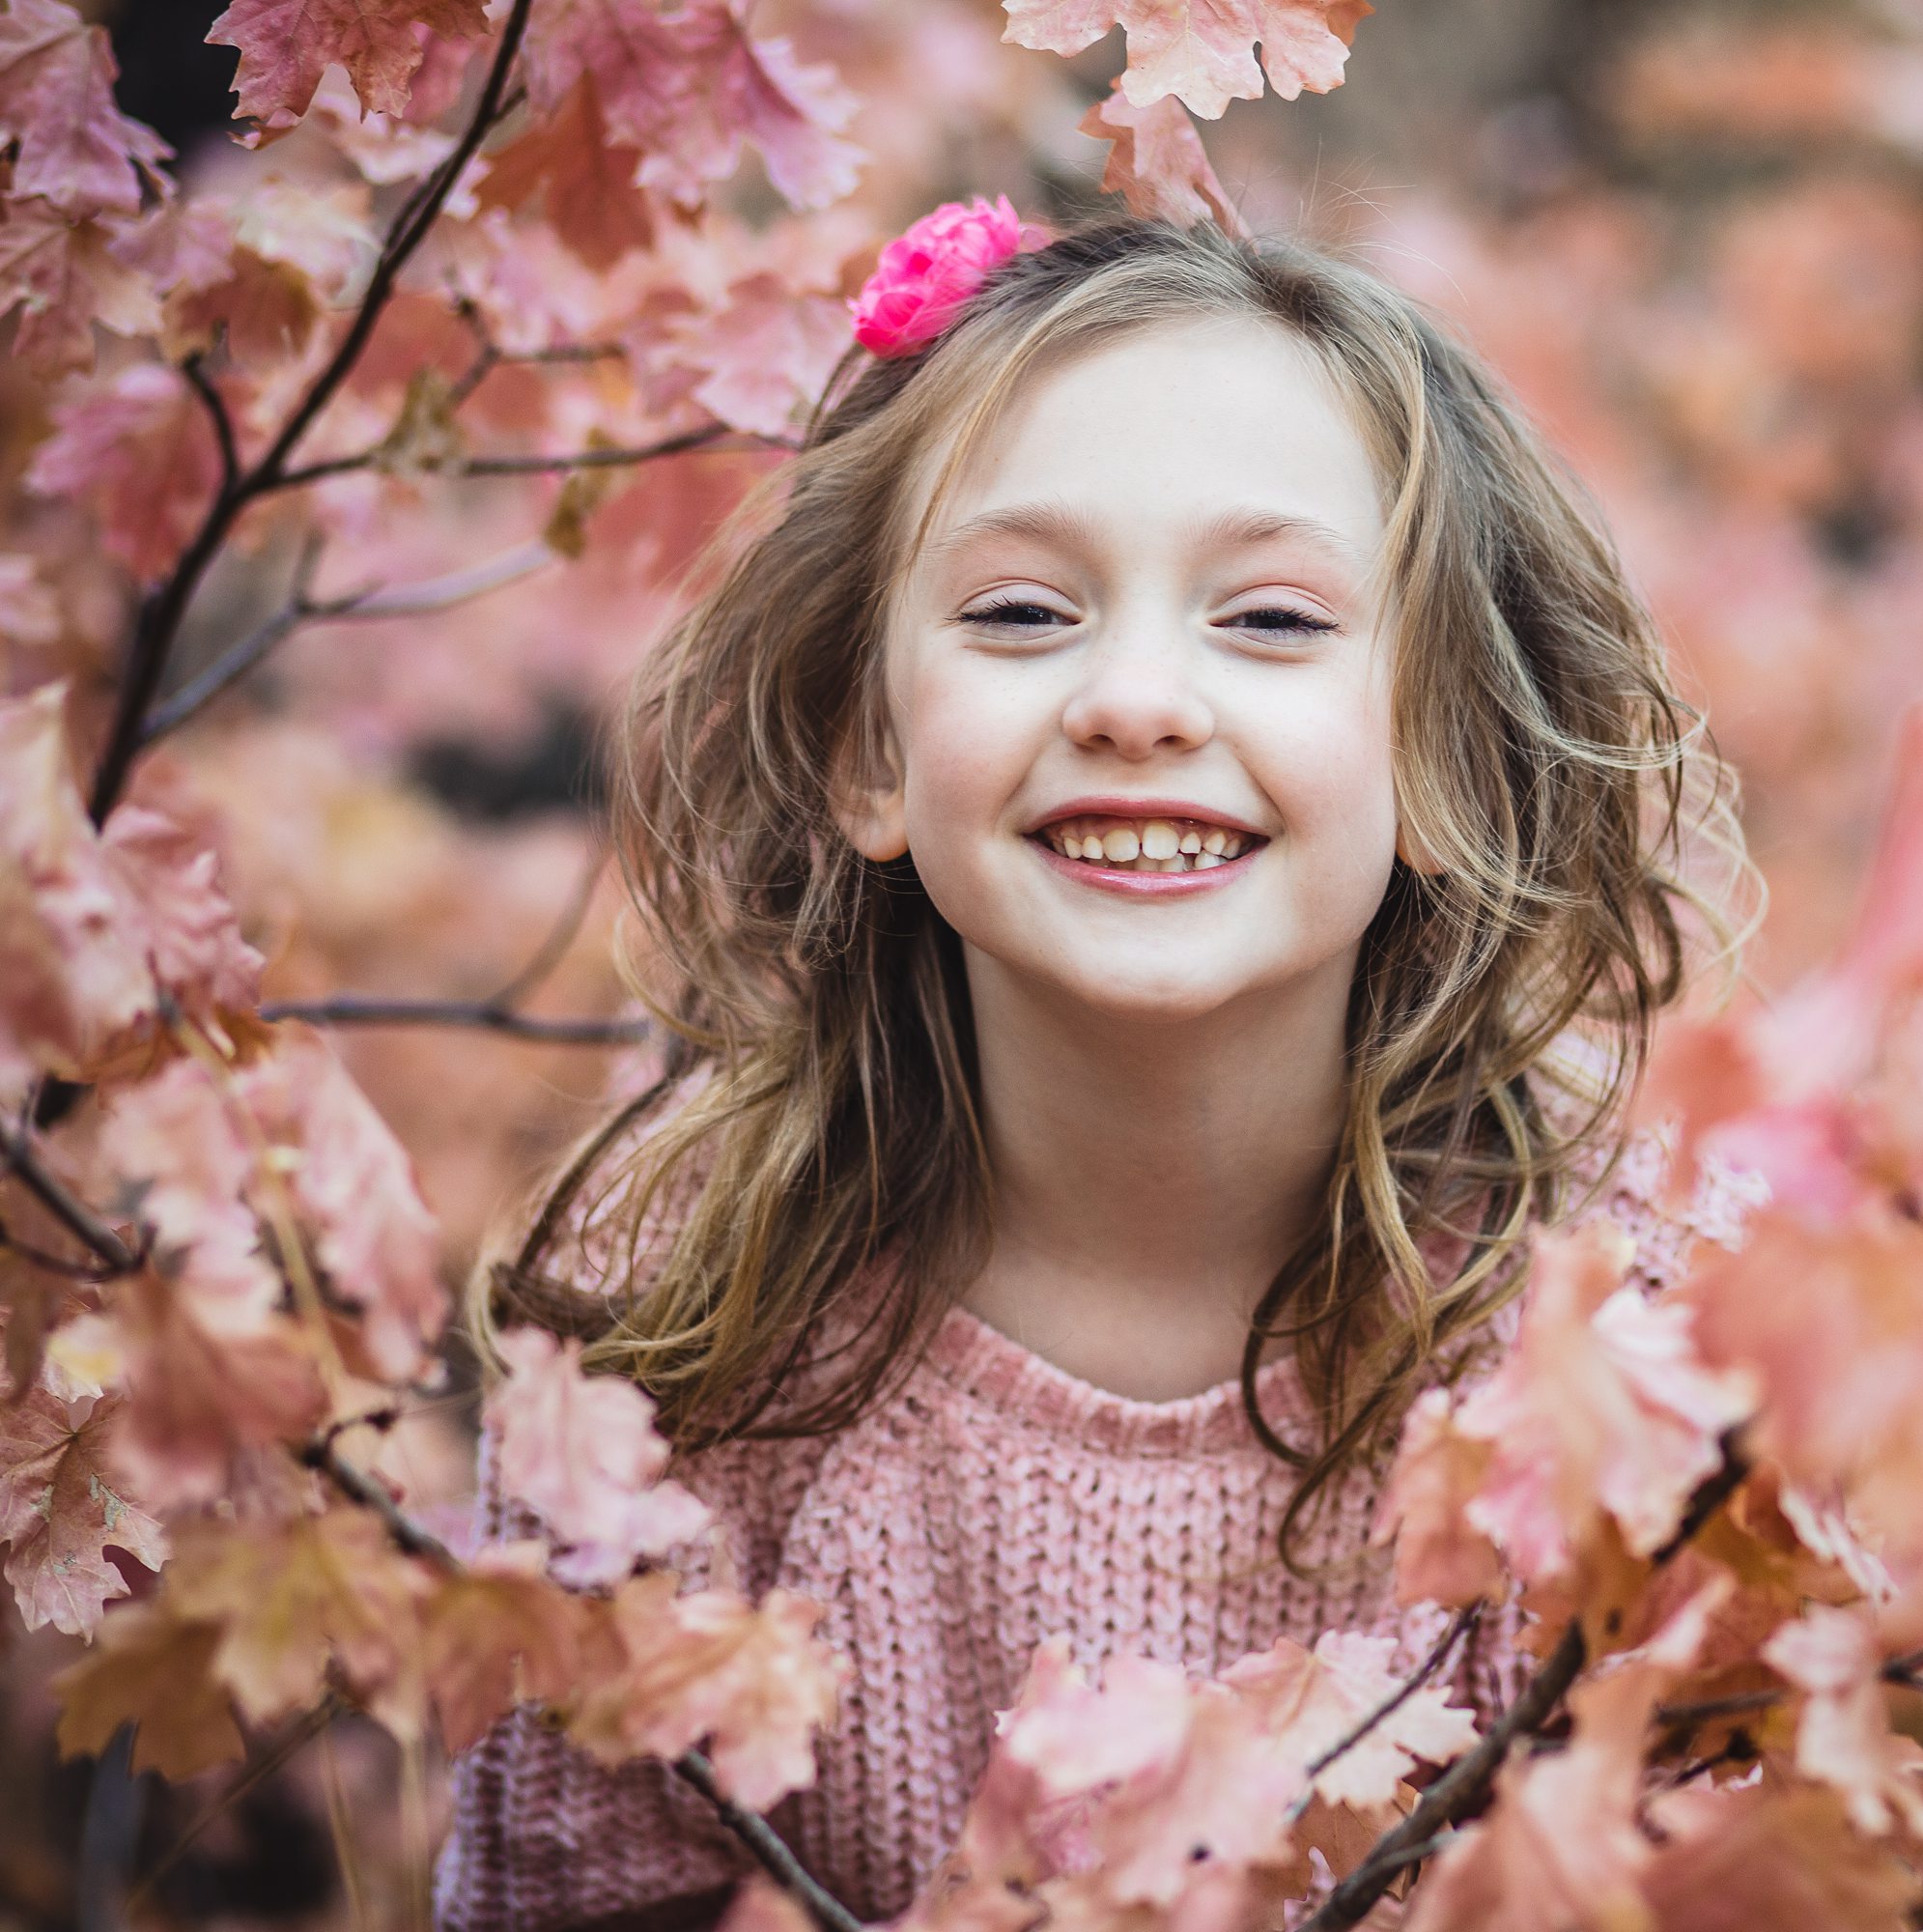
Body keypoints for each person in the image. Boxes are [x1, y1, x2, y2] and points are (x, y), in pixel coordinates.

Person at [436, 208, 1751, 1932]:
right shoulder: (680, 1315)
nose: (1137, 698)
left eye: (1272, 620)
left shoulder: (1627, 1348)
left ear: (1445, 756)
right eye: (1024, 611)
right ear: (866, 750)